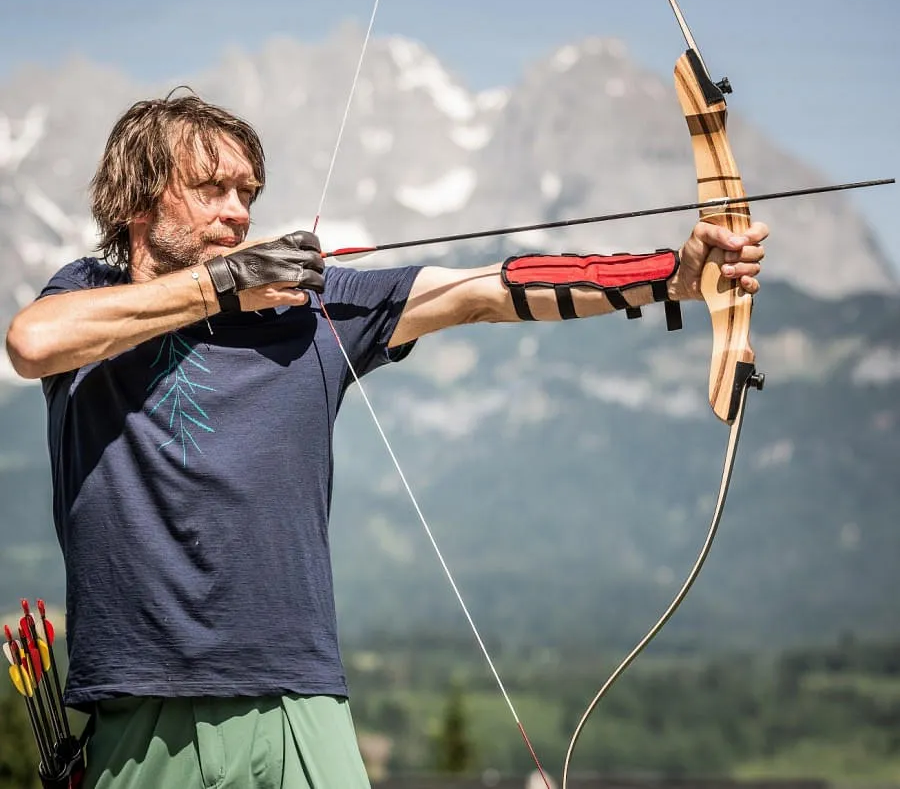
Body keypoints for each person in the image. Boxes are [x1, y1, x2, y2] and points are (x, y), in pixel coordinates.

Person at [5, 92, 767, 789]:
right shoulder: (87, 297)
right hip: (144, 713)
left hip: (299, 702)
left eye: (248, 195)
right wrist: (219, 285)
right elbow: (33, 344)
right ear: (141, 201)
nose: (237, 213)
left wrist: (672, 274)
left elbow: (486, 290)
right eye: (211, 190)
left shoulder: (309, 309)